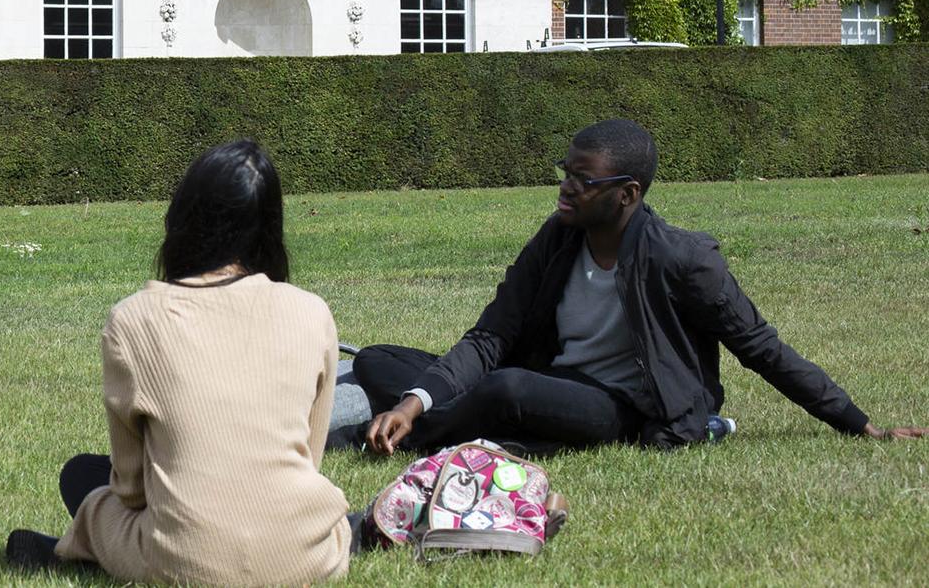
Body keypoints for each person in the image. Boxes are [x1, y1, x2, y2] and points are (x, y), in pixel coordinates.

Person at [358, 118, 927, 456]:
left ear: (627, 193)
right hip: (552, 378)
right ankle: (449, 424)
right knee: (379, 362)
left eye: (583, 181)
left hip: (624, 408)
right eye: (566, 174)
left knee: (506, 390)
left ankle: (414, 438)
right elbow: (490, 335)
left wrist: (860, 425)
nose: (566, 189)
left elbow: (762, 349)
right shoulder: (558, 237)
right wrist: (415, 398)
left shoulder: (684, 259)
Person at [7, 140, 357, 585]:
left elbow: (132, 492)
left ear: (182, 218)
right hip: (307, 554)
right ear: (270, 226)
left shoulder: (133, 319)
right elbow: (309, 460)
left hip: (183, 561)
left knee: (88, 490)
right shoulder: (312, 312)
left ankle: (66, 549)